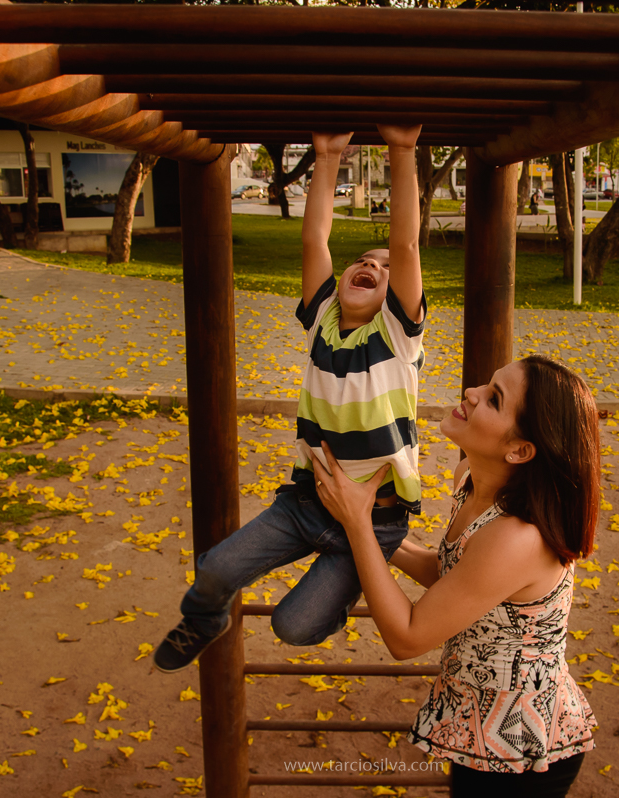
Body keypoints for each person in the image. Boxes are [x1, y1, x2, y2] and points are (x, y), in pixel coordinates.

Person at [153, 123, 428, 671]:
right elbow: (314, 240)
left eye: (386, 268)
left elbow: (405, 241)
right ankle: (206, 617)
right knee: (213, 570)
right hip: (305, 503)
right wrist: (325, 158)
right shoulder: (322, 319)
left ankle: (347, 578)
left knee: (293, 626)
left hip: (374, 521)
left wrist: (402, 150)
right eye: (364, 261)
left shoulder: (397, 336)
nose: (373, 266)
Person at [312, 356, 600, 796]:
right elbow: (453, 576)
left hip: (520, 747)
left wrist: (357, 526)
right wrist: (365, 527)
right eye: (488, 383)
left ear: (520, 449)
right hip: (480, 730)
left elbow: (407, 638)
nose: (472, 393)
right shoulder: (471, 480)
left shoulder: (517, 538)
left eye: (494, 399)